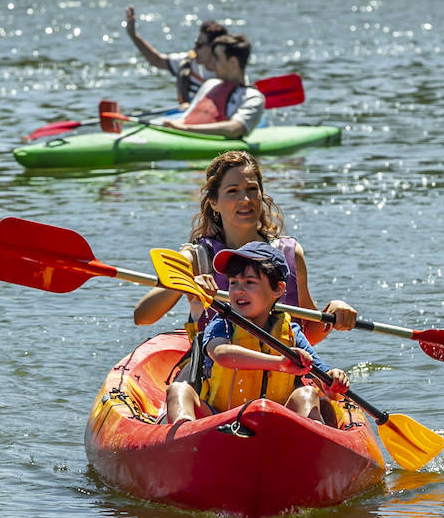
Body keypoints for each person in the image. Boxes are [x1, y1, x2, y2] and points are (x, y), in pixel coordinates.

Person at [133, 150, 356, 348]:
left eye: (252, 189)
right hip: (215, 379)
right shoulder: (196, 258)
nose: (245, 199)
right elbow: (143, 316)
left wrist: (332, 314)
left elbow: (307, 332)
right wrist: (186, 284)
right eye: (233, 191)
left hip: (281, 376)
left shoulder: (288, 254)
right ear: (213, 202)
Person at [162, 241, 351, 425]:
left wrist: (334, 380)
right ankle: (183, 434)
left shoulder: (292, 334)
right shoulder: (222, 323)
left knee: (307, 394)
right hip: (216, 421)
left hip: (276, 424)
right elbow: (221, 354)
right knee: (179, 390)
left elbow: (329, 388)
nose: (238, 291)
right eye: (233, 283)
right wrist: (280, 364)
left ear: (278, 289)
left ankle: (314, 441)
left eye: (249, 282)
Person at [158, 34, 264, 139]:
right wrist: (167, 125)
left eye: (217, 59)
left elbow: (235, 128)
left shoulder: (253, 98)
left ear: (233, 62)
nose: (212, 64)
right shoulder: (210, 84)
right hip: (186, 134)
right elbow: (187, 117)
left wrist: (186, 129)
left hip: (206, 141)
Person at [125, 6, 227, 105]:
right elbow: (156, 60)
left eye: (199, 45)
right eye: (195, 43)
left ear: (214, 48)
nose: (194, 49)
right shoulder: (187, 62)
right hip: (186, 115)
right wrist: (133, 35)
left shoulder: (230, 73)